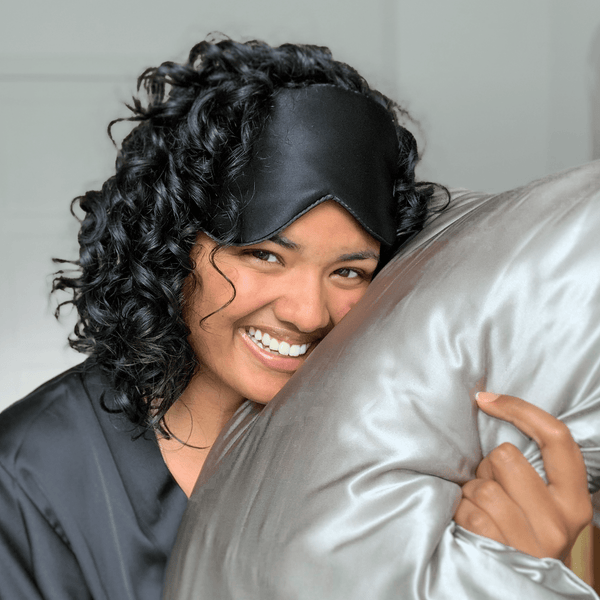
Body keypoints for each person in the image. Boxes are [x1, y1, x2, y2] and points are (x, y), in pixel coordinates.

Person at [0, 37, 591, 600]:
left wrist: (524, 571)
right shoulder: (31, 477)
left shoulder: (415, 454)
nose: (307, 313)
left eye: (349, 272)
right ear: (172, 247)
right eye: (264, 255)